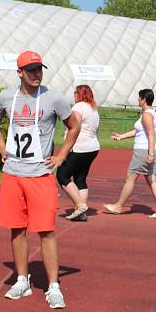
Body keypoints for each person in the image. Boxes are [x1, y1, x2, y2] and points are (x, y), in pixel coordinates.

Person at [0, 50, 80, 308]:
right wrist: (1, 148)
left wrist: (61, 156)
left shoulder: (54, 99)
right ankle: (21, 280)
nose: (37, 74)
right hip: (13, 174)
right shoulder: (6, 97)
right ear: (20, 73)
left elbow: (74, 125)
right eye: (31, 70)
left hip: (39, 175)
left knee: (46, 231)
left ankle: (53, 286)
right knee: (16, 228)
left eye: (39, 69)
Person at [103, 89, 156, 219]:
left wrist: (150, 154)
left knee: (130, 179)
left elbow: (151, 135)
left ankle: (118, 206)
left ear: (144, 99)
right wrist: (121, 137)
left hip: (143, 151)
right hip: (149, 150)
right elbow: (138, 131)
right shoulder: (150, 113)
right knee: (152, 180)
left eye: (139, 98)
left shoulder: (147, 115)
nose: (138, 100)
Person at [56, 84, 101, 222]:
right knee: (80, 179)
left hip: (79, 147)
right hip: (92, 147)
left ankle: (80, 205)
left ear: (80, 94)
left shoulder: (78, 107)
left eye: (75, 92)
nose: (74, 95)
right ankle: (81, 212)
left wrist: (67, 148)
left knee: (62, 175)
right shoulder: (93, 109)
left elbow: (74, 126)